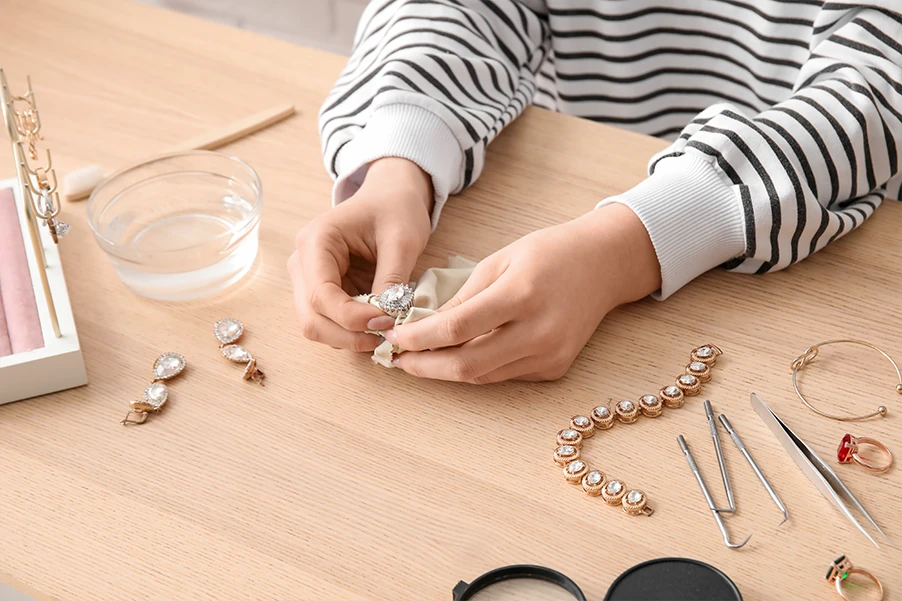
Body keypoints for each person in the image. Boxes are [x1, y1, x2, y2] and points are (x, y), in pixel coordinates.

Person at [288, 0, 902, 384]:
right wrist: (399, 158)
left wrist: (632, 243)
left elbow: (878, 86)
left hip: (816, 223)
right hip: (564, 173)